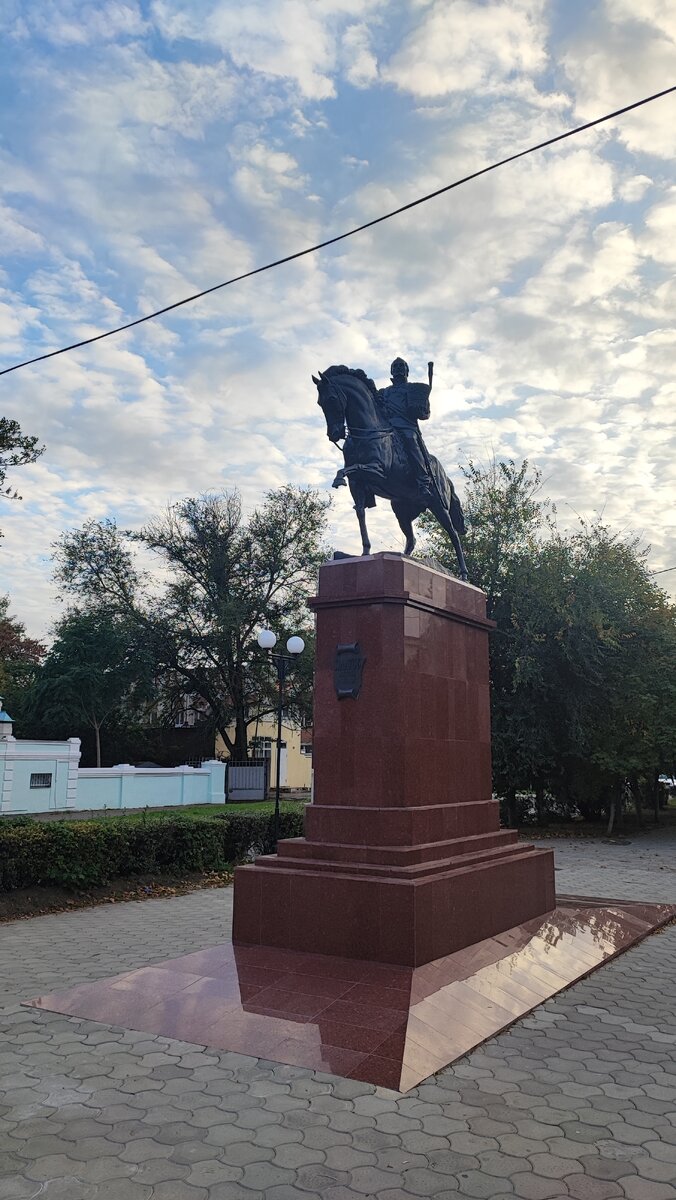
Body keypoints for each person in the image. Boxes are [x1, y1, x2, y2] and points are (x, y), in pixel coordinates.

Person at [378, 357, 433, 500]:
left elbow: (425, 414)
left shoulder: (415, 389)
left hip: (407, 427)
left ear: (407, 370)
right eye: (395, 366)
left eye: (401, 366)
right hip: (387, 428)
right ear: (391, 370)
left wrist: (420, 408)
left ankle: (423, 482)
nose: (398, 369)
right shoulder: (384, 392)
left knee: (410, 441)